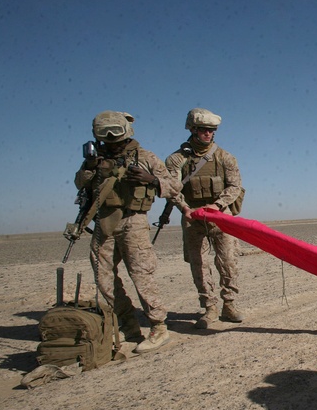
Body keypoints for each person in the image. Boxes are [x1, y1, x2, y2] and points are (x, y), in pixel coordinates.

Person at [75, 111, 182, 353]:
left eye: (117, 139)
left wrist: (151, 180)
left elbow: (175, 185)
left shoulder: (144, 157)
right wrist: (90, 168)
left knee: (141, 275)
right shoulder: (95, 158)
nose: (113, 144)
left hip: (133, 222)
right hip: (104, 222)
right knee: (104, 278)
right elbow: (80, 183)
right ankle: (127, 325)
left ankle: (158, 327)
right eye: (108, 140)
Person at [165, 108, 244, 329]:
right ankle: (209, 307)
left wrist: (217, 205)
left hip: (221, 216)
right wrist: (184, 207)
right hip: (192, 217)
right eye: (204, 130)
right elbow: (171, 188)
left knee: (228, 261)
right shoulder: (176, 160)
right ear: (192, 130)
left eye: (212, 130)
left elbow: (235, 186)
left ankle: (229, 304)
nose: (208, 134)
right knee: (198, 265)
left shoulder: (225, 157)